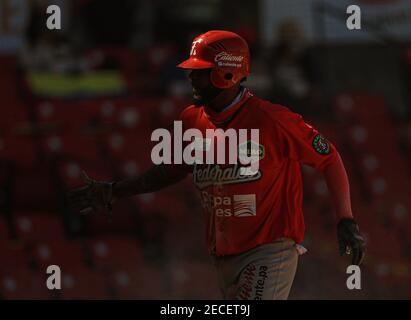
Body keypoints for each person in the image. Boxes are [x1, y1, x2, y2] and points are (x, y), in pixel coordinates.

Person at [68, 30, 366, 300]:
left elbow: (329, 157)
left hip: (269, 249)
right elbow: (170, 170)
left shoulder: (272, 119)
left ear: (227, 73)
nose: (190, 78)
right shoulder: (191, 120)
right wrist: (116, 191)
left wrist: (345, 219)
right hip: (223, 256)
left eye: (200, 72)